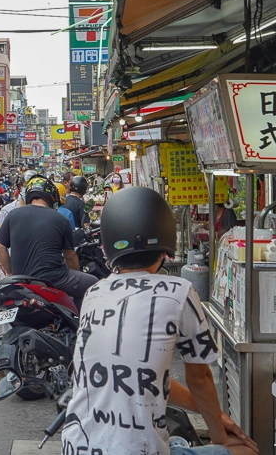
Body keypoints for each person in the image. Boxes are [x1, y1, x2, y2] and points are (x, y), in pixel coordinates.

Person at [61, 186, 257, 455]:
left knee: (176, 440)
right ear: (166, 241)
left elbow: (140, 375)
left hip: (76, 446)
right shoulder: (179, 291)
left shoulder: (95, 292)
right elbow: (199, 379)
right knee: (246, 451)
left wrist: (215, 414)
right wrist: (219, 436)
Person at [0, 178, 96, 305]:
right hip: (54, 278)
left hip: (21, 279)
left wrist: (11, 273)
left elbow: (0, 247)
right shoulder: (61, 219)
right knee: (93, 283)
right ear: (52, 196)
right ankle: (79, 321)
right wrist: (76, 273)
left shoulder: (13, 214)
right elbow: (69, 256)